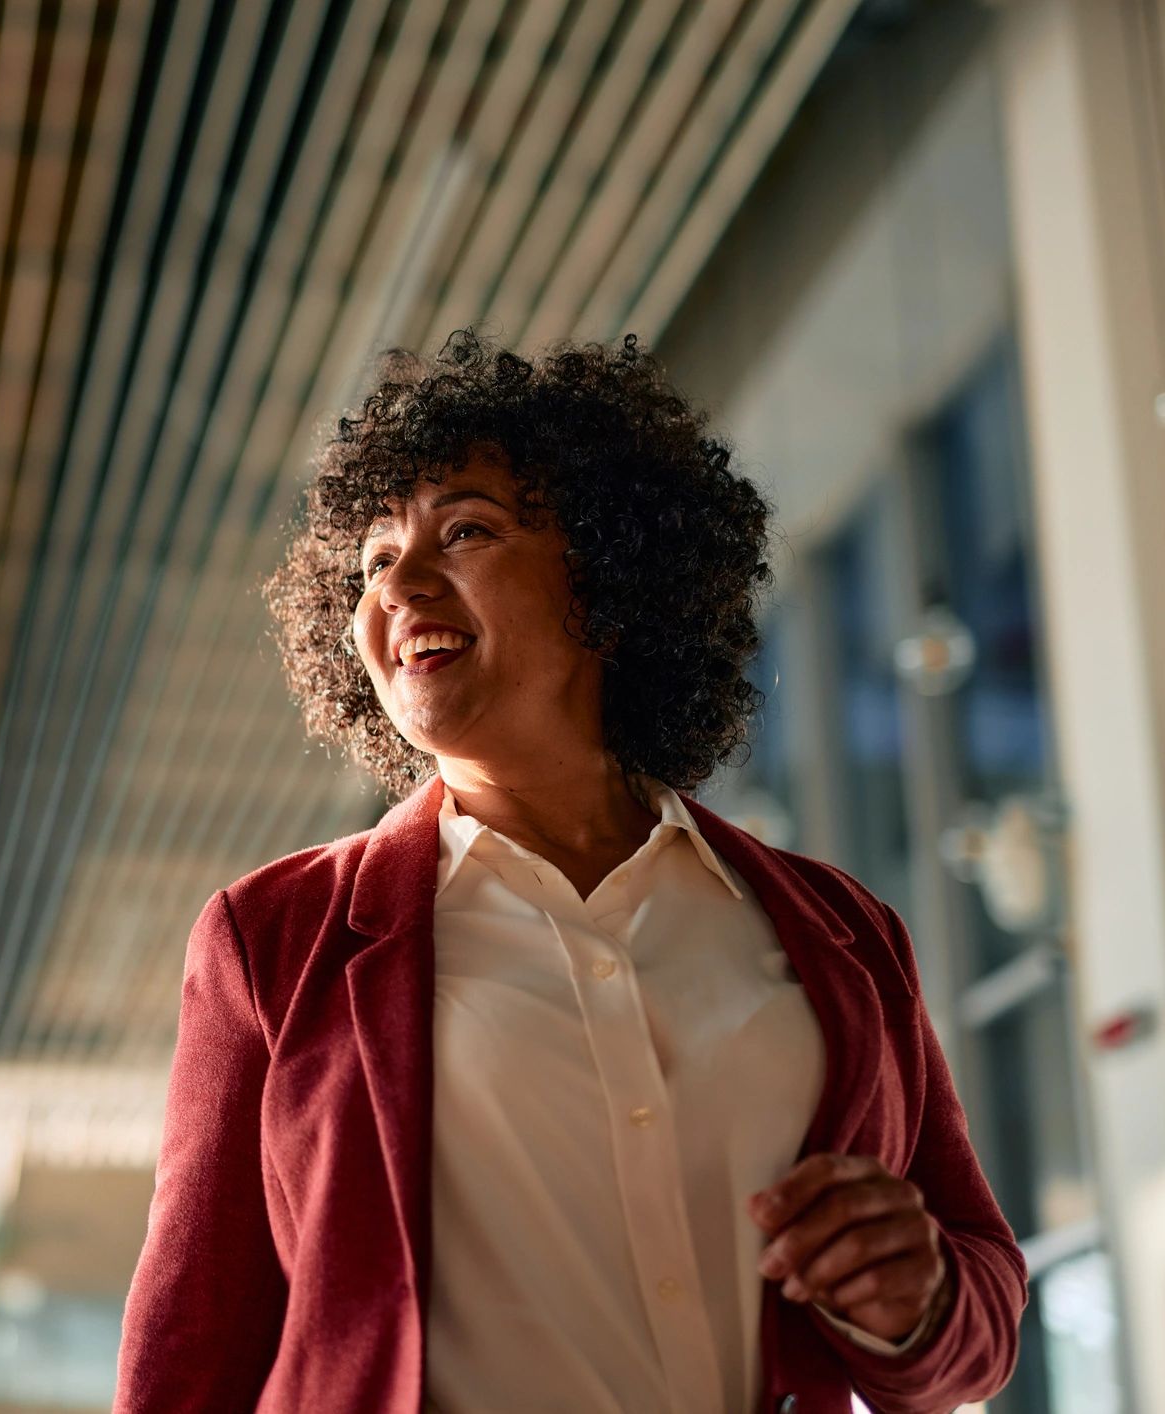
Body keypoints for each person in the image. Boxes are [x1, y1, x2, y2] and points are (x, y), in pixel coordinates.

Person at [112, 331, 1023, 1414]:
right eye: (369, 559)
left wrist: (912, 1296)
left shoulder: (839, 930)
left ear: (604, 570)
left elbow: (978, 1315)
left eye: (463, 529)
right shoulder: (271, 938)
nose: (399, 580)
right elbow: (187, 1356)